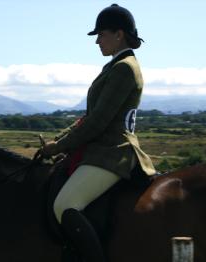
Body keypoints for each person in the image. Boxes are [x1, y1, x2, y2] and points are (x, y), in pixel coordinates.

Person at [41, 4, 156, 262]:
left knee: (64, 205)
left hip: (112, 152)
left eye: (101, 34)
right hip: (100, 150)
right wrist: (57, 141)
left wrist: (59, 147)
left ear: (119, 34)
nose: (97, 41)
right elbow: (88, 118)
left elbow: (97, 123)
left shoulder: (124, 68)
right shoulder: (115, 66)